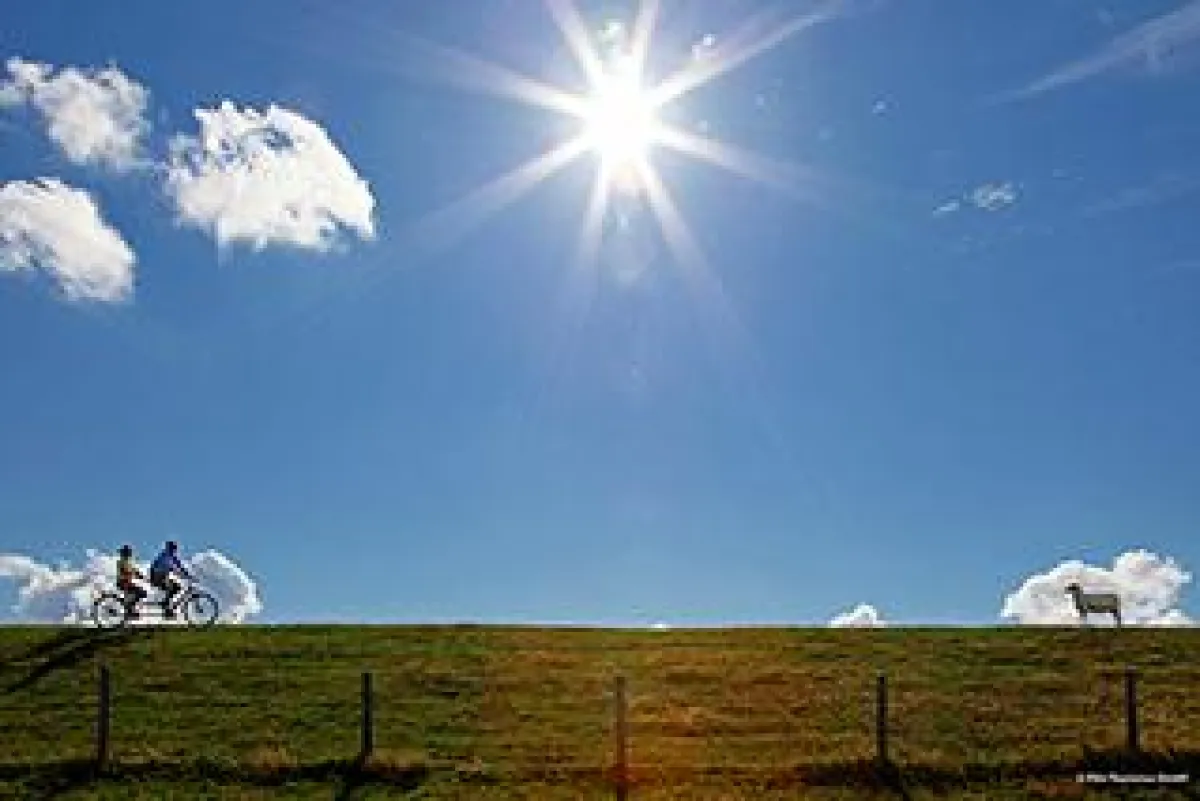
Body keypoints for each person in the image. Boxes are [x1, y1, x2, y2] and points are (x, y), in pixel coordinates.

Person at [149, 540, 194, 619]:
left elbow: (180, 566)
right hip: (156, 577)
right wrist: (183, 574)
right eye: (174, 548)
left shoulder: (172, 556)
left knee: (176, 587)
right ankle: (167, 608)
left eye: (175, 549)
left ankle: (167, 607)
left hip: (162, 576)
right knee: (173, 587)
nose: (175, 550)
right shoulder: (165, 556)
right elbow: (172, 567)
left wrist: (188, 575)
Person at [116, 545, 147, 618]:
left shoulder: (127, 561)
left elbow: (133, 570)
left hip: (126, 582)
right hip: (123, 582)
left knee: (136, 594)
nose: (130, 554)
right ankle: (129, 609)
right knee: (141, 592)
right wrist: (135, 574)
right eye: (129, 552)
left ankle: (129, 609)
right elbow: (125, 571)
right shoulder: (122, 561)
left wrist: (140, 576)